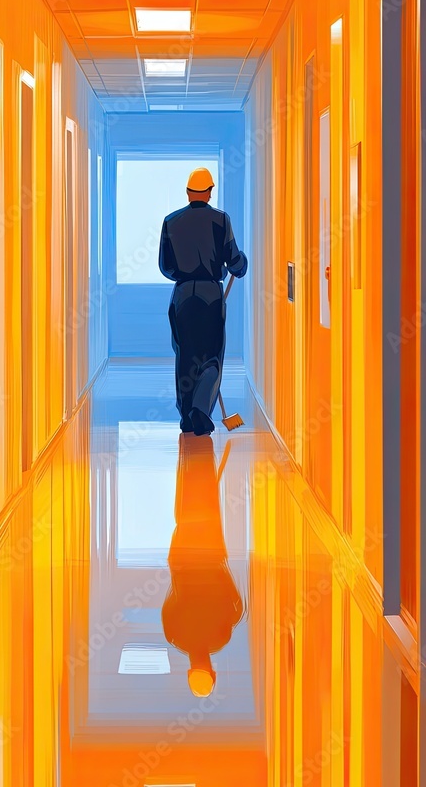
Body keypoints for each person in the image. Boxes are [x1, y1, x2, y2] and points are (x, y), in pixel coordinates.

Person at [158, 167, 248, 436]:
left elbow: (165, 266)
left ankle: (187, 416)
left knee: (185, 355)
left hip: (183, 296)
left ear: (188, 193)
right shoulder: (221, 220)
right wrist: (240, 265)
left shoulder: (170, 222)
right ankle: (201, 409)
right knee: (211, 357)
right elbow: (233, 260)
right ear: (209, 192)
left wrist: (185, 275)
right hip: (211, 295)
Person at [162, 433, 245, 697]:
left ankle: (199, 449)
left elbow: (234, 601)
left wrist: (220, 569)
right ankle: (189, 448)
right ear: (190, 672)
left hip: (209, 555)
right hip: (184, 557)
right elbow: (172, 595)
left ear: (213, 672)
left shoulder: (222, 636)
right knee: (185, 507)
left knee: (205, 503)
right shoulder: (174, 635)